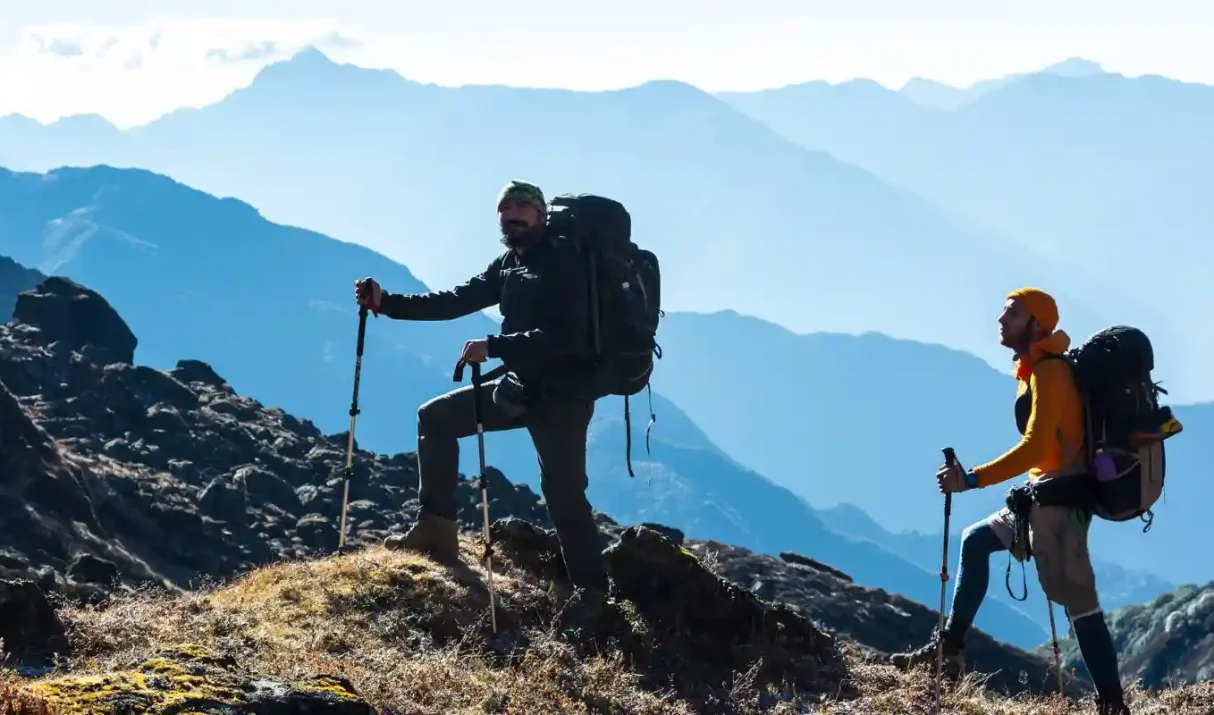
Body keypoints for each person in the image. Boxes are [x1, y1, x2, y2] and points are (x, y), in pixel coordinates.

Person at [353, 180, 610, 615]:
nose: (513, 216)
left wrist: (494, 346)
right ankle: (436, 531)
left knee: (564, 495)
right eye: (505, 209)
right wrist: (387, 302)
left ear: (541, 214)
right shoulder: (509, 263)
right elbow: (456, 300)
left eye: (522, 207)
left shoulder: (564, 262)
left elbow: (565, 336)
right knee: (435, 418)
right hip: (519, 387)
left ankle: (592, 595)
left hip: (562, 398)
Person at [890, 288, 1131, 715]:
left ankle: (1113, 705)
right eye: (1003, 312)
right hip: (1040, 495)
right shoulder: (1033, 370)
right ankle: (949, 653)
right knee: (976, 542)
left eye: (1013, 313)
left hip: (1061, 504)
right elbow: (1045, 450)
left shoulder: (1051, 373)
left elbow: (1036, 447)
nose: (1001, 320)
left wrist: (971, 479)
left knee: (1080, 605)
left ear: (1037, 325)